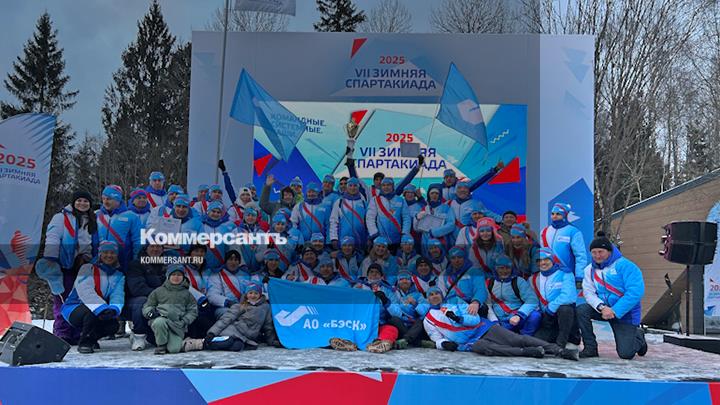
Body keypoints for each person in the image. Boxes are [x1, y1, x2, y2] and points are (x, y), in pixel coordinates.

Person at [423, 287, 578, 360]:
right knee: (490, 349)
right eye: (431, 295)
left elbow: (475, 319)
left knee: (517, 339)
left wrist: (458, 318)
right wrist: (443, 344)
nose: (435, 296)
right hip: (469, 343)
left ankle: (559, 350)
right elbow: (436, 338)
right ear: (427, 298)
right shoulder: (428, 320)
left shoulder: (455, 302)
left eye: (437, 293)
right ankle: (527, 352)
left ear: (442, 295)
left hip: (483, 328)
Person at [577, 232, 647, 359]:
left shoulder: (626, 266)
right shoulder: (589, 270)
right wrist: (601, 307)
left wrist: (615, 310)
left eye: (601, 252)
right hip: (603, 310)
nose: (597, 255)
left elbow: (635, 292)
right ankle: (590, 348)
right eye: (594, 252)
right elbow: (588, 292)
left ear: (609, 251)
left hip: (625, 313)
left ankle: (638, 337)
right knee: (581, 310)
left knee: (626, 354)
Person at [42, 190, 98, 344]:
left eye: (86, 201)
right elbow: (53, 237)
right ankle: (63, 332)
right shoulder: (61, 217)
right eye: (79, 200)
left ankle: (78, 331)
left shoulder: (93, 219)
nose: (82, 204)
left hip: (85, 264)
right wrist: (51, 259)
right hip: (65, 263)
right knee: (63, 298)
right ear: (73, 202)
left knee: (81, 298)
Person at [61, 241, 125, 354]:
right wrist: (101, 308)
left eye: (112, 253)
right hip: (74, 307)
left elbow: (117, 295)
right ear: (100, 254)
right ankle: (85, 342)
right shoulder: (88, 268)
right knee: (91, 312)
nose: (109, 255)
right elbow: (85, 290)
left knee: (113, 325)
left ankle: (92, 338)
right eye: (105, 252)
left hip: (99, 308)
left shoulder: (118, 275)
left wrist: (114, 308)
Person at [332, 263, 399, 353]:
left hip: (378, 325)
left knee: (392, 330)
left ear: (381, 276)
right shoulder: (359, 287)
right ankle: (347, 342)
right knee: (344, 325)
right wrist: (356, 294)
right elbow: (348, 307)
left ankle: (379, 343)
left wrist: (385, 300)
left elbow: (398, 313)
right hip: (360, 324)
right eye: (371, 272)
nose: (374, 274)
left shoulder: (388, 290)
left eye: (377, 272)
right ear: (367, 275)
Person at [192, 282, 279, 352]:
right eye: (250, 293)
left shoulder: (265, 307)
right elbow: (225, 319)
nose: (253, 295)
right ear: (246, 295)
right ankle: (202, 343)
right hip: (232, 331)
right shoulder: (240, 306)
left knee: (237, 346)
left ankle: (214, 343)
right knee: (228, 342)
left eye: (256, 293)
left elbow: (268, 326)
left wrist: (272, 341)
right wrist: (212, 333)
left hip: (245, 337)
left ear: (260, 295)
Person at [531, 247, 581, 350]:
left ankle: (564, 343)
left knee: (565, 308)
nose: (543, 263)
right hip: (547, 319)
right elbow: (532, 299)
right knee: (537, 342)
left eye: (546, 259)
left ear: (552, 259)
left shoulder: (565, 273)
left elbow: (569, 297)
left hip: (563, 316)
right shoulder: (533, 279)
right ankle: (554, 342)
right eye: (539, 260)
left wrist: (551, 308)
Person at [143, 264, 198, 355]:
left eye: (179, 275)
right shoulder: (158, 291)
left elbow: (193, 310)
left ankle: (175, 341)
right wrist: (150, 312)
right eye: (173, 274)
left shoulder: (187, 294)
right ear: (168, 276)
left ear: (183, 277)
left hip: (177, 325)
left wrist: (184, 321)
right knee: (159, 322)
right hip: (161, 320)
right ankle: (161, 345)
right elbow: (148, 305)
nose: (176, 277)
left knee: (174, 350)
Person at [124, 244, 166, 351]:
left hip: (161, 299)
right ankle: (138, 335)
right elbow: (137, 289)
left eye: (158, 246)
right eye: (152, 246)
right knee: (142, 302)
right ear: (146, 248)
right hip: (136, 301)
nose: (155, 249)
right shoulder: (136, 264)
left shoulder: (166, 264)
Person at [486, 256, 541, 336]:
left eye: (508, 268)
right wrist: (494, 321)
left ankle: (525, 338)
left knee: (535, 316)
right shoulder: (489, 283)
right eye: (501, 268)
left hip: (518, 317)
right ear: (495, 269)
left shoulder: (519, 281)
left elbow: (532, 300)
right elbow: (488, 305)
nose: (505, 271)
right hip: (501, 321)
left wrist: (519, 315)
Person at [96, 185, 142, 270]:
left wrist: (136, 258)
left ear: (118, 200)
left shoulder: (131, 216)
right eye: (103, 199)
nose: (105, 202)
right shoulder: (96, 215)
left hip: (124, 259)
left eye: (109, 199)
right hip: (101, 259)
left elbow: (138, 239)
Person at [539, 203, 588, 280]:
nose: (554, 216)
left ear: (565, 215)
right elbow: (542, 254)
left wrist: (579, 276)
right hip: (549, 276)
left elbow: (580, 256)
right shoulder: (544, 231)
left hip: (567, 275)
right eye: (552, 214)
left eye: (558, 214)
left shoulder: (573, 231)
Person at [387, 271, 431, 348]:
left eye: (407, 279)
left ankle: (406, 340)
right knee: (393, 319)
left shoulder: (418, 295)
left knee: (421, 320)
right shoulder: (393, 294)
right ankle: (418, 342)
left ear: (411, 282)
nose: (404, 281)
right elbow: (393, 311)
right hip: (401, 325)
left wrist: (415, 304)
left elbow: (425, 311)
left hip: (415, 326)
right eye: (401, 279)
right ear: (397, 282)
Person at [437, 246, 487, 314]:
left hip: (470, 306)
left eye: (460, 257)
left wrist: (476, 302)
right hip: (451, 307)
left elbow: (480, 289)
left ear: (465, 258)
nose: (457, 260)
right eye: (453, 258)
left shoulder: (475, 272)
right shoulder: (444, 275)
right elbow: (441, 293)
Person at [366, 178, 411, 252]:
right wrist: (374, 233)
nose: (386, 187)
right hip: (381, 240)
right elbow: (370, 218)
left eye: (388, 185)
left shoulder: (401, 200)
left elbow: (406, 218)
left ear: (393, 186)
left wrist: (405, 233)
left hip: (397, 239)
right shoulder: (375, 200)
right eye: (383, 185)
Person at [414, 183, 456, 257]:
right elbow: (416, 229)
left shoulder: (446, 208)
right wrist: (416, 218)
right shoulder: (424, 208)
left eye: (436, 193)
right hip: (426, 241)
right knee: (427, 260)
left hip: (442, 240)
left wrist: (435, 232)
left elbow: (451, 224)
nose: (434, 195)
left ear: (440, 195)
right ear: (429, 195)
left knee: (442, 260)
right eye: (432, 193)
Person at [182, 245, 215, 338]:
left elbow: (211, 289)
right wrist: (200, 299)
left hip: (207, 305)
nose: (199, 254)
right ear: (190, 254)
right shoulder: (183, 269)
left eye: (202, 251)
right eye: (196, 251)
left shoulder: (208, 271)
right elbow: (184, 286)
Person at [329, 177, 368, 252]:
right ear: (347, 187)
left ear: (358, 187)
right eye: (350, 185)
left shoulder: (363, 202)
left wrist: (369, 237)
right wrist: (334, 238)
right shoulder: (339, 202)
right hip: (343, 240)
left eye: (355, 185)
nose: (352, 188)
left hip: (360, 240)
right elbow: (333, 221)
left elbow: (367, 221)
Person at [207, 250, 247, 319]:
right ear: (225, 261)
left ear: (239, 262)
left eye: (236, 260)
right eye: (230, 259)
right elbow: (212, 295)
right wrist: (227, 302)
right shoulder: (216, 276)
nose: (233, 262)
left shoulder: (245, 275)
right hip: (225, 307)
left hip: (244, 306)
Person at [200, 201, 236, 271]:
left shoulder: (226, 227)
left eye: (218, 212)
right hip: (203, 267)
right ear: (208, 211)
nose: (216, 214)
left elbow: (229, 247)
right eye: (213, 211)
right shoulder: (201, 225)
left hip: (221, 266)